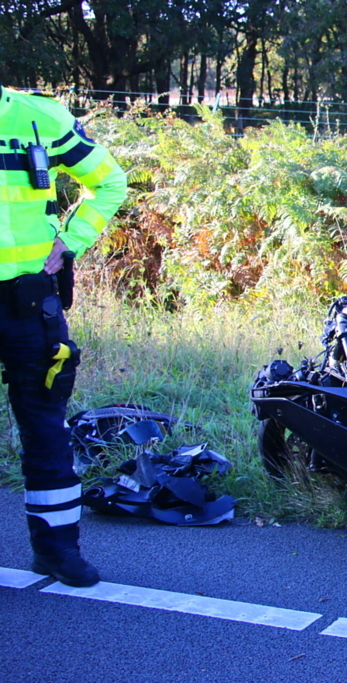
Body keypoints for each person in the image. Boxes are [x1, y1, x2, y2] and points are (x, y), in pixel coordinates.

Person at [0, 84, 127, 587]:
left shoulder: (39, 116)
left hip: (29, 306)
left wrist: (70, 242)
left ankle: (57, 551)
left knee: (45, 430)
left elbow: (110, 182)